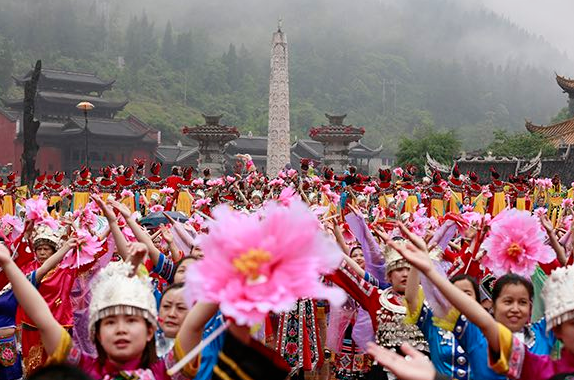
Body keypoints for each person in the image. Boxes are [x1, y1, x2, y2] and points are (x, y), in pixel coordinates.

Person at [0, 240, 216, 380]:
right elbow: (43, 319)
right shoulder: (83, 368)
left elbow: (195, 322)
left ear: (150, 331)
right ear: (96, 334)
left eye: (131, 321)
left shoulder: (166, 372)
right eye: (110, 322)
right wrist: (8, 264)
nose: (121, 329)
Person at [384, 223, 574, 380]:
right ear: (493, 304)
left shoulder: (541, 334)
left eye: (522, 302)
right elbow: (416, 299)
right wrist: (428, 270)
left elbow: (567, 294)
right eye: (507, 301)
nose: (515, 308)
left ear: (531, 307)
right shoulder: (478, 335)